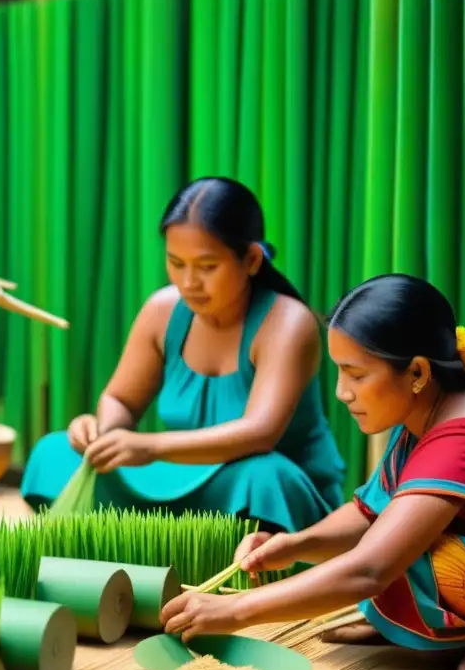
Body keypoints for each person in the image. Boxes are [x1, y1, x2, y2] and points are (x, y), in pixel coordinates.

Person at [160, 274, 465, 670]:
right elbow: (369, 512)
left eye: (356, 374)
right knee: (394, 532)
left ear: (417, 372)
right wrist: (295, 545)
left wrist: (236, 609)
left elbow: (370, 569)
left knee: (407, 548)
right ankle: (410, 624)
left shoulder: (462, 435)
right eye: (339, 372)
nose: (341, 392)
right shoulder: (426, 411)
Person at [20, 177, 346, 533]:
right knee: (54, 453)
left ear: (251, 259)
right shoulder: (162, 311)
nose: (188, 282)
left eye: (207, 267)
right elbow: (120, 399)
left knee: (264, 475)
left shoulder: (288, 323)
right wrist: (105, 437)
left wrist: (150, 447)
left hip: (258, 488)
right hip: (181, 476)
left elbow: (259, 433)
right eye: (176, 262)